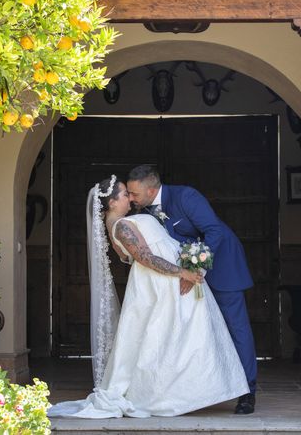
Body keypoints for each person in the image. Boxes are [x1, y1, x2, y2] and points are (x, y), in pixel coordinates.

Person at [47, 175, 248, 418]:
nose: (130, 199)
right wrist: (183, 271)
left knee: (178, 339)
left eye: (131, 194)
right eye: (124, 195)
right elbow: (146, 258)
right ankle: (170, 394)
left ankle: (191, 391)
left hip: (169, 282)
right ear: (111, 203)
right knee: (172, 338)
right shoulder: (121, 226)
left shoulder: (123, 222)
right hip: (164, 283)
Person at [125, 165, 258, 415]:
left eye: (134, 194)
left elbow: (214, 231)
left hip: (221, 269)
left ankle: (248, 392)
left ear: (151, 189)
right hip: (184, 274)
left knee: (236, 328)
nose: (131, 199)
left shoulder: (186, 197)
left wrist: (197, 270)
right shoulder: (144, 212)